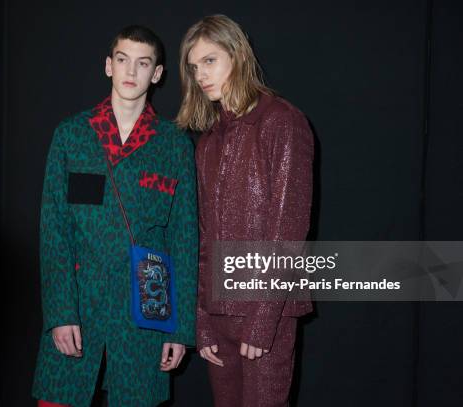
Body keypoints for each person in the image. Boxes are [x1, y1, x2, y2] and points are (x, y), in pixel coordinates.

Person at [32, 25, 198, 407]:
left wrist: (180, 328)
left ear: (157, 74)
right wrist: (60, 313)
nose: (131, 72)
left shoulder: (173, 143)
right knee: (59, 397)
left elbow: (185, 239)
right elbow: (53, 230)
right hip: (80, 299)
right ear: (108, 65)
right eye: (123, 60)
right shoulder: (72, 135)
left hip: (144, 308)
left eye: (143, 64)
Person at [176, 15, 314, 407]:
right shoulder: (208, 141)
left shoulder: (281, 122)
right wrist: (201, 320)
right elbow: (204, 237)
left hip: (265, 313)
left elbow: (288, 232)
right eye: (193, 66)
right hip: (219, 313)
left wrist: (262, 319)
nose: (200, 75)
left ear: (237, 56)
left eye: (209, 61)